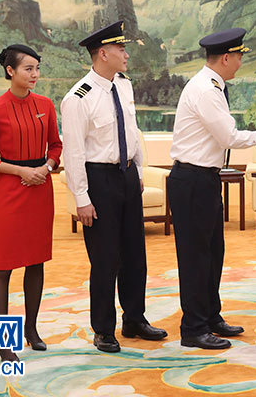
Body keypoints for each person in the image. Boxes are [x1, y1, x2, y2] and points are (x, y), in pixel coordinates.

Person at [61, 21, 167, 353]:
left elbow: (131, 131)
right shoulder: (78, 98)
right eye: (121, 49)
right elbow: (74, 152)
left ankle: (134, 319)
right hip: (99, 180)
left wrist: (138, 170)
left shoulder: (123, 85)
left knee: (135, 254)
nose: (126, 54)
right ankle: (103, 329)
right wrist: (81, 197)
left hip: (127, 176)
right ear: (103, 54)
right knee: (106, 259)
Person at [168, 28, 256, 350]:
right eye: (239, 56)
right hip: (192, 181)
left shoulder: (212, 85)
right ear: (226, 58)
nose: (240, 62)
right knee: (196, 257)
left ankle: (211, 317)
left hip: (205, 179)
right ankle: (193, 328)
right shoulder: (206, 89)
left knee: (213, 254)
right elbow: (228, 137)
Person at [0, 44, 62, 360]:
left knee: (36, 262)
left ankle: (31, 330)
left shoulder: (45, 105)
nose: (35, 74)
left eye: (37, 68)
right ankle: (2, 341)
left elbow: (56, 145)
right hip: (10, 192)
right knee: (3, 266)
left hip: (41, 189)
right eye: (28, 69)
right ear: (10, 71)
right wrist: (21, 170)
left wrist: (46, 167)